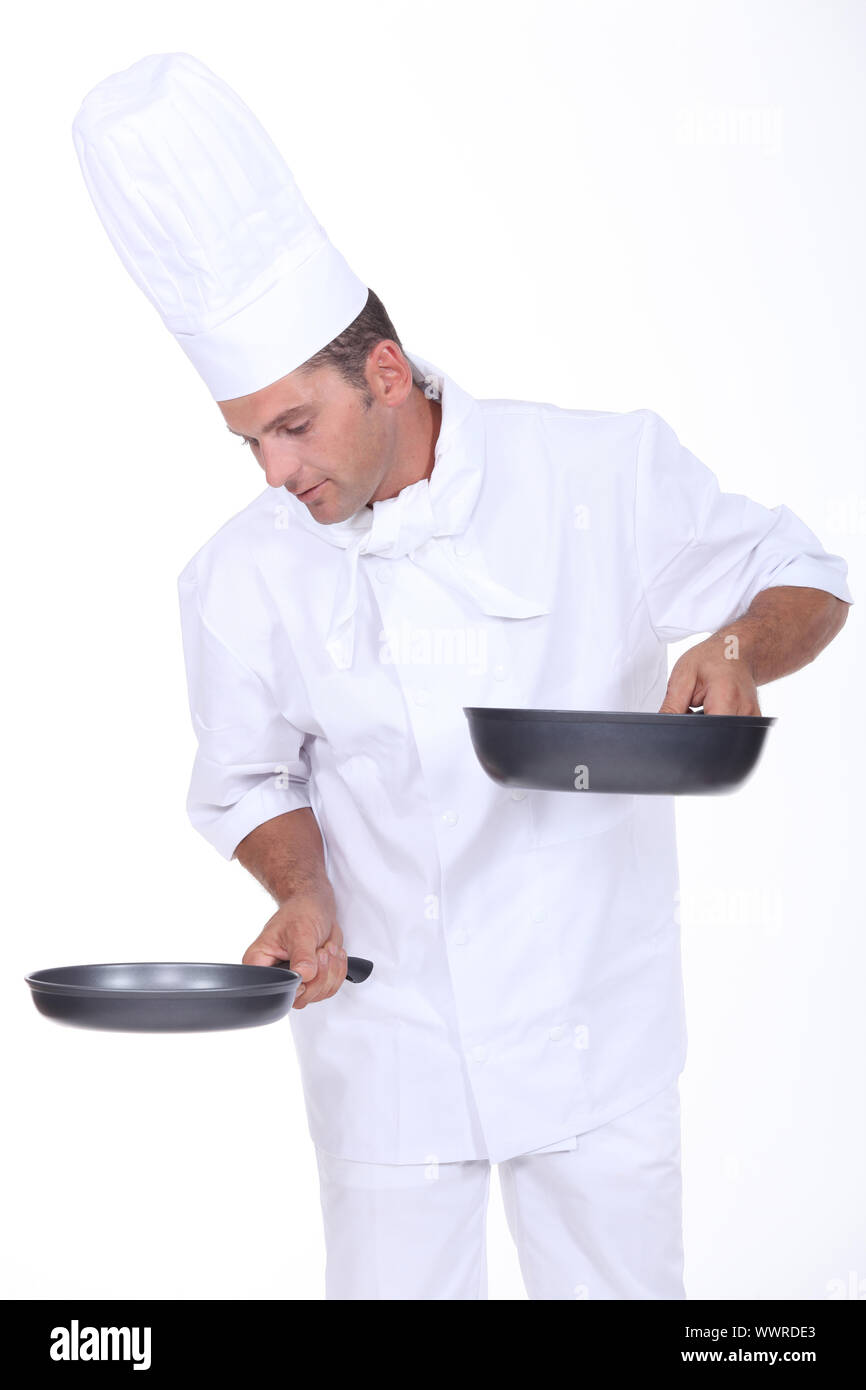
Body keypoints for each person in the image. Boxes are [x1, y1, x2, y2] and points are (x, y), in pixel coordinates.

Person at [72, 53, 852, 1301]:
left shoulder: (595, 474)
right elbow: (248, 774)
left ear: (383, 373)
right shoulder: (234, 575)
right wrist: (302, 887)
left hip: (593, 1039)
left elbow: (802, 569)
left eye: (291, 425)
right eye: (246, 441)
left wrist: (735, 644)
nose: (273, 474)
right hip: (385, 1055)